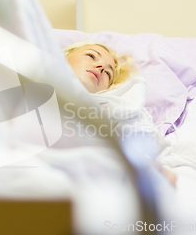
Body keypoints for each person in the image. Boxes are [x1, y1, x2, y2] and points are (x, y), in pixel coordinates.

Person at [63, 41, 177, 187]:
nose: (101, 67)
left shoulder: (113, 110)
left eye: (108, 74)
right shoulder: (31, 81)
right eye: (91, 56)